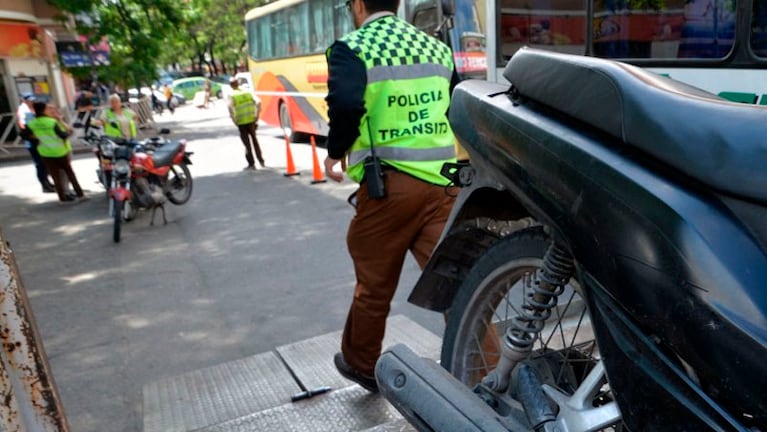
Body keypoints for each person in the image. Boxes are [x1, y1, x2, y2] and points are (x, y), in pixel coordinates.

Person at [323, 0, 459, 392]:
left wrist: (334, 152)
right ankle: (486, 369)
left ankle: (362, 363)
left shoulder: (353, 47)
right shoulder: (437, 48)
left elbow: (347, 104)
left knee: (374, 282)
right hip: (443, 186)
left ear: (359, 4)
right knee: (455, 284)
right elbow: (457, 104)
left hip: (388, 189)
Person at [26, 102, 88, 204]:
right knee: (70, 173)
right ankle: (80, 194)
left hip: (45, 152)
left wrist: (35, 138)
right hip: (59, 151)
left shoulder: (32, 123)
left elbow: (23, 134)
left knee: (55, 176)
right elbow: (63, 135)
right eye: (47, 108)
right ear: (43, 110)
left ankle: (62, 198)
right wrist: (67, 133)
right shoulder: (51, 122)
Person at [17, 93, 55, 193]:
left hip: (40, 142)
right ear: (25, 101)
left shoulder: (31, 111)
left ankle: (47, 182)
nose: (32, 102)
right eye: (30, 100)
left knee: (45, 163)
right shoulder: (24, 111)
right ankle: (44, 185)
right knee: (40, 164)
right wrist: (35, 136)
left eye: (33, 100)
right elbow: (24, 129)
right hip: (33, 143)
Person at [227, 78, 264, 170]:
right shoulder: (247, 92)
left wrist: (234, 120)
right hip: (251, 120)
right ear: (238, 84)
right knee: (255, 140)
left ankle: (251, 164)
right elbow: (258, 102)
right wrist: (256, 115)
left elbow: (230, 108)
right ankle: (261, 160)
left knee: (247, 144)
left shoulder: (231, 95)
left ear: (231, 86)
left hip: (241, 122)